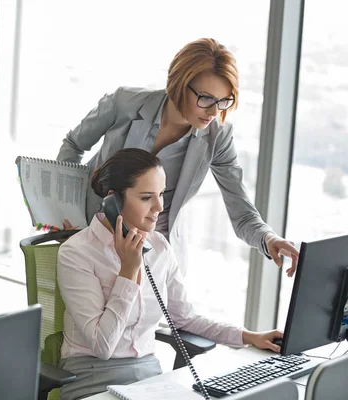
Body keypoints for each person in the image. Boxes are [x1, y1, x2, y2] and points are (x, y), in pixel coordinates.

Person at [56, 38, 299, 278]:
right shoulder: (124, 104)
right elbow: (73, 145)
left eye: (224, 101)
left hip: (152, 257)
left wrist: (268, 239)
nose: (215, 112)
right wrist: (64, 213)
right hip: (87, 236)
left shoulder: (217, 137)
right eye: (206, 98)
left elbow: (241, 210)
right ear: (179, 84)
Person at [57, 148, 283, 400]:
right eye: (146, 198)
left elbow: (185, 319)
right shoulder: (77, 252)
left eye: (161, 194)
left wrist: (248, 336)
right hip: (92, 379)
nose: (159, 207)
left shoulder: (159, 246)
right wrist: (128, 272)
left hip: (149, 379)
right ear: (113, 201)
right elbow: (102, 347)